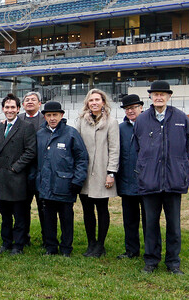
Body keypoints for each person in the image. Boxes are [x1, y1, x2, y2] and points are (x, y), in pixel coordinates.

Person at [133, 81, 189, 275]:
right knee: (150, 224)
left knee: (174, 225)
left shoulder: (181, 118)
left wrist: (178, 168)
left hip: (173, 180)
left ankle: (173, 262)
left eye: (162, 94)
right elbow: (138, 149)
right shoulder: (141, 120)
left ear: (169, 96)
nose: (159, 97)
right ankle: (151, 261)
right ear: (150, 97)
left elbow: (185, 149)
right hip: (150, 180)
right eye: (155, 94)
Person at [35, 101, 88, 257]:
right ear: (44, 116)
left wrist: (78, 180)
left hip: (65, 184)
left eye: (55, 115)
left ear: (62, 115)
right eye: (49, 115)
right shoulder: (40, 134)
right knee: (48, 219)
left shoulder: (71, 133)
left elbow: (82, 158)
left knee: (66, 219)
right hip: (46, 185)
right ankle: (51, 247)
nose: (52, 118)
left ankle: (66, 248)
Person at [72, 89, 119, 258]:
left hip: (102, 171)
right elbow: (75, 145)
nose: (94, 103)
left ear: (103, 102)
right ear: (87, 103)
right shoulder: (81, 121)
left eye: (97, 99)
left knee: (102, 208)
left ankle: (101, 244)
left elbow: (114, 149)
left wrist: (111, 173)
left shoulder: (112, 122)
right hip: (84, 172)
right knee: (87, 209)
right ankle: (91, 242)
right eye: (91, 100)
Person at [0, 93, 37, 255]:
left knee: (19, 214)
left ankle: (18, 245)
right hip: (2, 178)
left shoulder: (26, 127)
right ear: (3, 109)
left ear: (18, 109)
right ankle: (6, 243)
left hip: (17, 178)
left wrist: (15, 167)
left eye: (13, 107)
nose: (9, 110)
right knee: (5, 215)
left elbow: (31, 151)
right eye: (7, 107)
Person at [117, 94, 146, 259]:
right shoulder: (120, 129)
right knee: (130, 220)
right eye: (127, 108)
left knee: (149, 220)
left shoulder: (150, 126)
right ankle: (131, 250)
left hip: (148, 182)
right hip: (127, 180)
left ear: (141, 108)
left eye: (134, 107)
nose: (130, 111)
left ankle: (150, 250)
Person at [19, 91, 44, 248]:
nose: (29, 102)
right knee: (23, 206)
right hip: (23, 170)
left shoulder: (45, 120)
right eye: (27, 100)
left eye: (33, 100)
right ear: (22, 104)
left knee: (43, 206)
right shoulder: (17, 120)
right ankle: (24, 236)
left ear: (39, 104)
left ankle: (47, 237)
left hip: (41, 169)